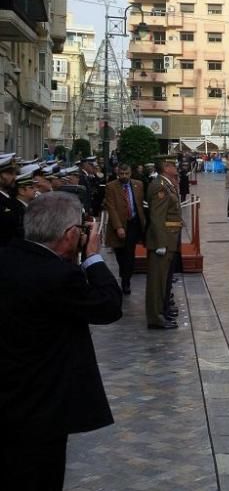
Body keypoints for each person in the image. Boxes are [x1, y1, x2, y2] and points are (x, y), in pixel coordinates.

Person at [0, 192, 122, 489]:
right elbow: (108, 305)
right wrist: (92, 256)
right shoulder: (57, 277)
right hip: (39, 410)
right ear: (70, 235)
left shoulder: (7, 257)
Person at [145, 155, 183, 329]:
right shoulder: (160, 186)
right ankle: (155, 317)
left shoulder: (167, 184)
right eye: (173, 165)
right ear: (166, 167)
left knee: (165, 279)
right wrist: (160, 242)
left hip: (170, 238)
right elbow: (157, 217)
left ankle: (163, 310)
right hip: (163, 240)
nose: (176, 168)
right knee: (157, 281)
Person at [103, 163, 146, 295]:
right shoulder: (111, 187)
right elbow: (111, 207)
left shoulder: (138, 185)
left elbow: (141, 203)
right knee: (120, 253)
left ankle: (126, 281)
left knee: (129, 253)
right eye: (121, 174)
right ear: (117, 173)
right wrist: (118, 227)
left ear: (130, 173)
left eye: (126, 174)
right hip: (119, 224)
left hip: (133, 223)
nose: (124, 176)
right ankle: (124, 272)